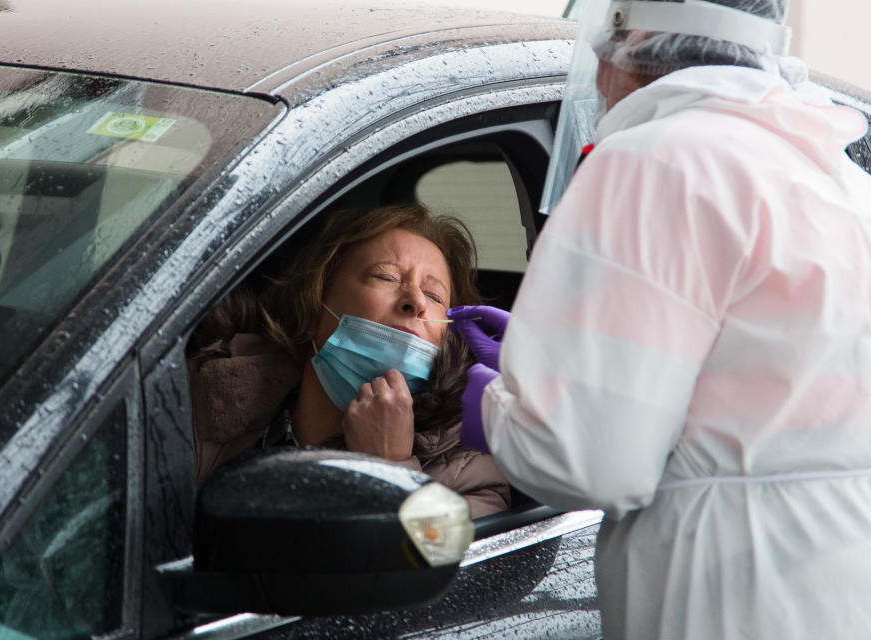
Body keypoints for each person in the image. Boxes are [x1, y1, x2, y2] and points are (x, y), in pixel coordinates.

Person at [450, 0, 871, 637]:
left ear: (641, 34)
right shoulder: (830, 171)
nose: (595, 71)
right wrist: (559, 361)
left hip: (733, 592)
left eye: (603, 38)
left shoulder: (654, 160)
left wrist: (497, 402)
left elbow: (586, 461)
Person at [188, 203, 511, 518]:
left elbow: (429, 565)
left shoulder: (471, 473)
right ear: (314, 302)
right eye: (386, 277)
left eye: (435, 296)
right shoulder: (209, 398)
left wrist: (390, 466)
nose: (415, 301)